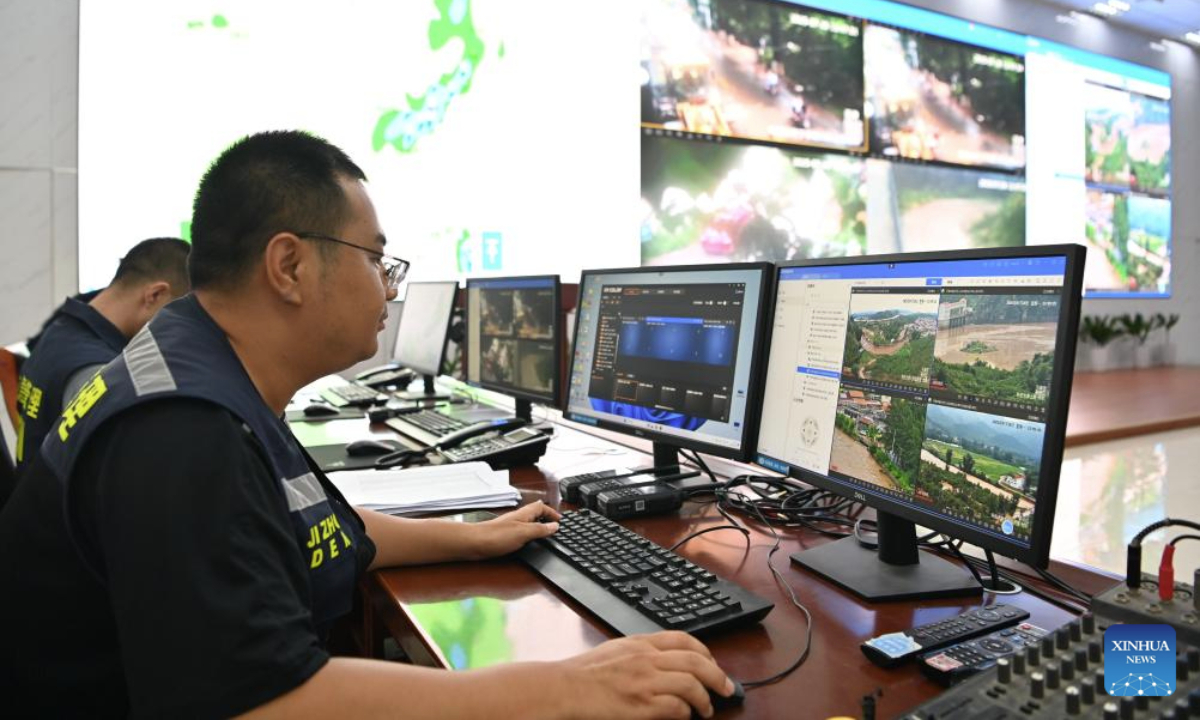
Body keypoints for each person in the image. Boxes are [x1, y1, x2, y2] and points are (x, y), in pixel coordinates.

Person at [0, 130, 735, 719]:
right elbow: (257, 702)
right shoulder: (182, 431)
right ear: (287, 265)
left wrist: (474, 537)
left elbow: (304, 523)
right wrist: (567, 689)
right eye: (377, 259)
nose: (389, 286)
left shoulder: (202, 364)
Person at [12, 237, 190, 474]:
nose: (180, 335)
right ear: (155, 295)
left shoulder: (60, 330)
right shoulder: (96, 373)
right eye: (181, 317)